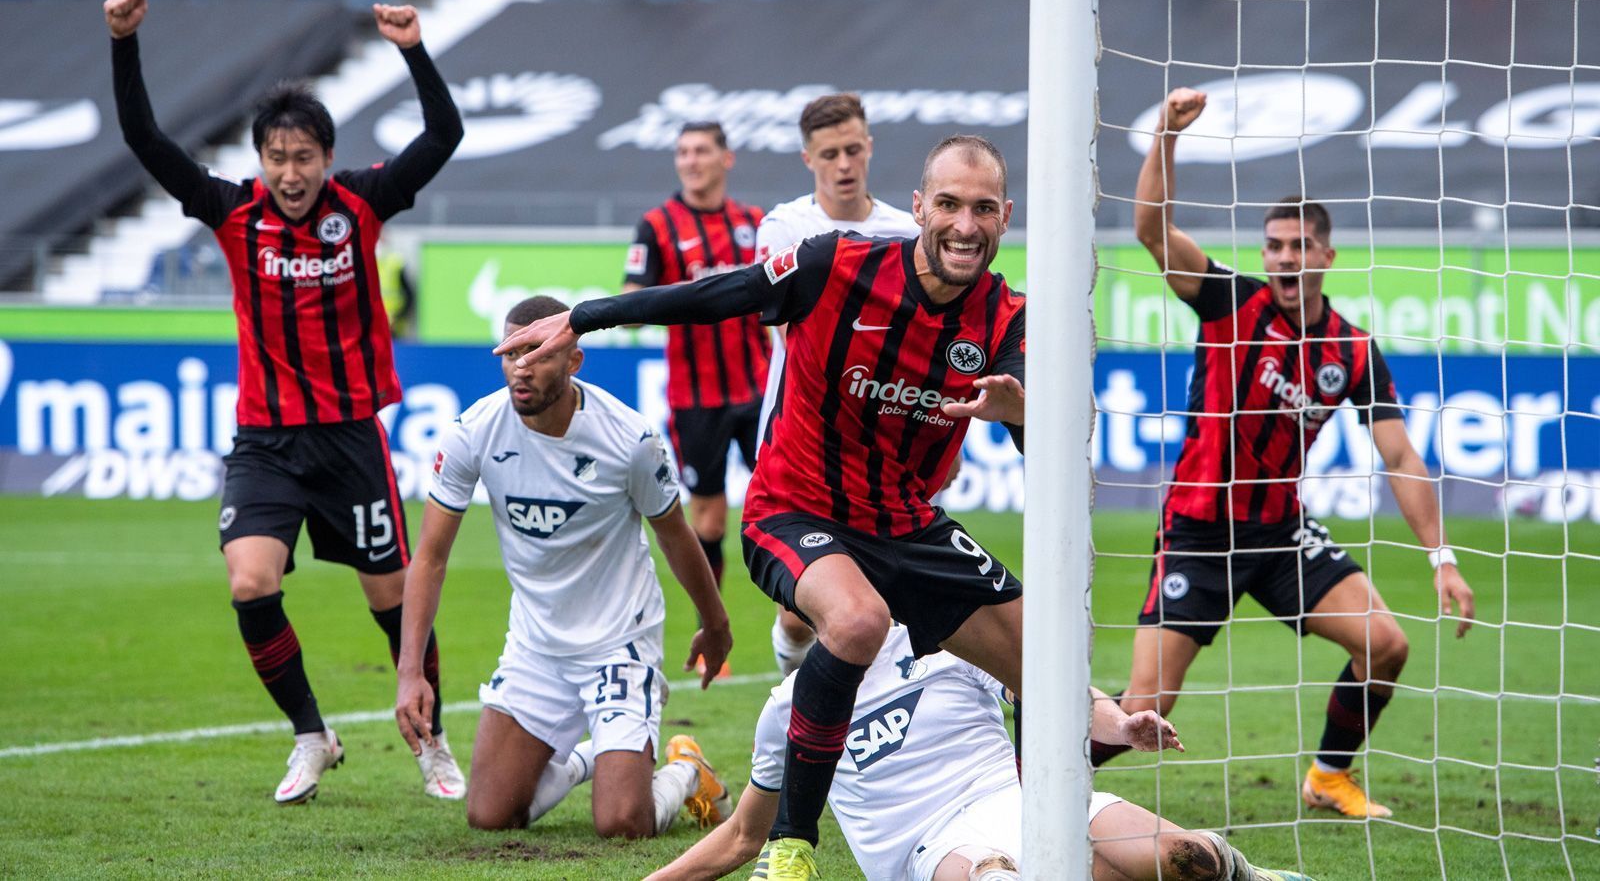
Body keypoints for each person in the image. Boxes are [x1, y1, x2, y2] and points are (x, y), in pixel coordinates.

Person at [500, 135, 1027, 879]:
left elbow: (1044, 444)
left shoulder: (1010, 319)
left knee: (1047, 667)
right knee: (856, 621)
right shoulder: (836, 263)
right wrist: (588, 317)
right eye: (947, 205)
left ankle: (1041, 821)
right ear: (918, 209)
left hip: (909, 522)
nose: (964, 225)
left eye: (981, 209)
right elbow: (719, 295)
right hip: (795, 508)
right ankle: (790, 845)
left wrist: (1022, 414)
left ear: (1005, 217)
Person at [104, 0, 465, 804]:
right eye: (278, 157)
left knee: (393, 604)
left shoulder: (364, 204)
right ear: (260, 159)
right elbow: (143, 138)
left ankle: (433, 740)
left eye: (305, 157)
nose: (291, 172)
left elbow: (445, 134)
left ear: (326, 159)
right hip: (265, 441)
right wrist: (124, 43)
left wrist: (413, 48)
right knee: (249, 582)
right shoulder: (231, 211)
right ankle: (312, 734)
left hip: (349, 439)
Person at [1094, 87, 1478, 820]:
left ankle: (1329, 776)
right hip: (1199, 532)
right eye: (1273, 245)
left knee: (1387, 645)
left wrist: (1441, 558)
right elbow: (1150, 230)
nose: (1283, 257)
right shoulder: (1228, 303)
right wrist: (1167, 138)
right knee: (1142, 711)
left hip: (1279, 534)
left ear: (1326, 256)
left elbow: (1399, 456)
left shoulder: (1351, 349)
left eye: (1299, 246)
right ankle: (1028, 771)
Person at [394, 295, 736, 836]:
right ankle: (591, 760)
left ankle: (687, 772)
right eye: (510, 354)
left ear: (574, 360)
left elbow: (674, 534)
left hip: (619, 642)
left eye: (537, 352)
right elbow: (430, 557)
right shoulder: (473, 432)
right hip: (537, 647)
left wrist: (715, 624)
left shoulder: (630, 439)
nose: (520, 368)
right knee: (490, 815)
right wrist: (410, 670)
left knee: (623, 822)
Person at [644, 625, 1315, 881]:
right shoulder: (788, 708)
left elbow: (1056, 691)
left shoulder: (945, 642)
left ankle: (1254, 875)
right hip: (930, 849)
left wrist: (1119, 724)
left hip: (1024, 804)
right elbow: (741, 837)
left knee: (1187, 859)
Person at [754, 94, 921, 678]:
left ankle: (858, 722)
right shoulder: (786, 227)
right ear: (808, 159)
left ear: (869, 146)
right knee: (802, 612)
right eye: (830, 154)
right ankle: (796, 683)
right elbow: (790, 337)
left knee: (875, 603)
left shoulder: (906, 231)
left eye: (853, 149)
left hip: (887, 442)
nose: (844, 163)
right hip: (800, 437)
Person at [624, 122, 767, 680]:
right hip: (696, 396)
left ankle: (799, 619)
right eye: (682, 151)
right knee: (706, 515)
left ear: (726, 158)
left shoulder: (756, 224)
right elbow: (632, 296)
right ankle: (715, 628)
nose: (690, 160)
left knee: (787, 497)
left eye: (701, 150)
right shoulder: (657, 225)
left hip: (759, 390)